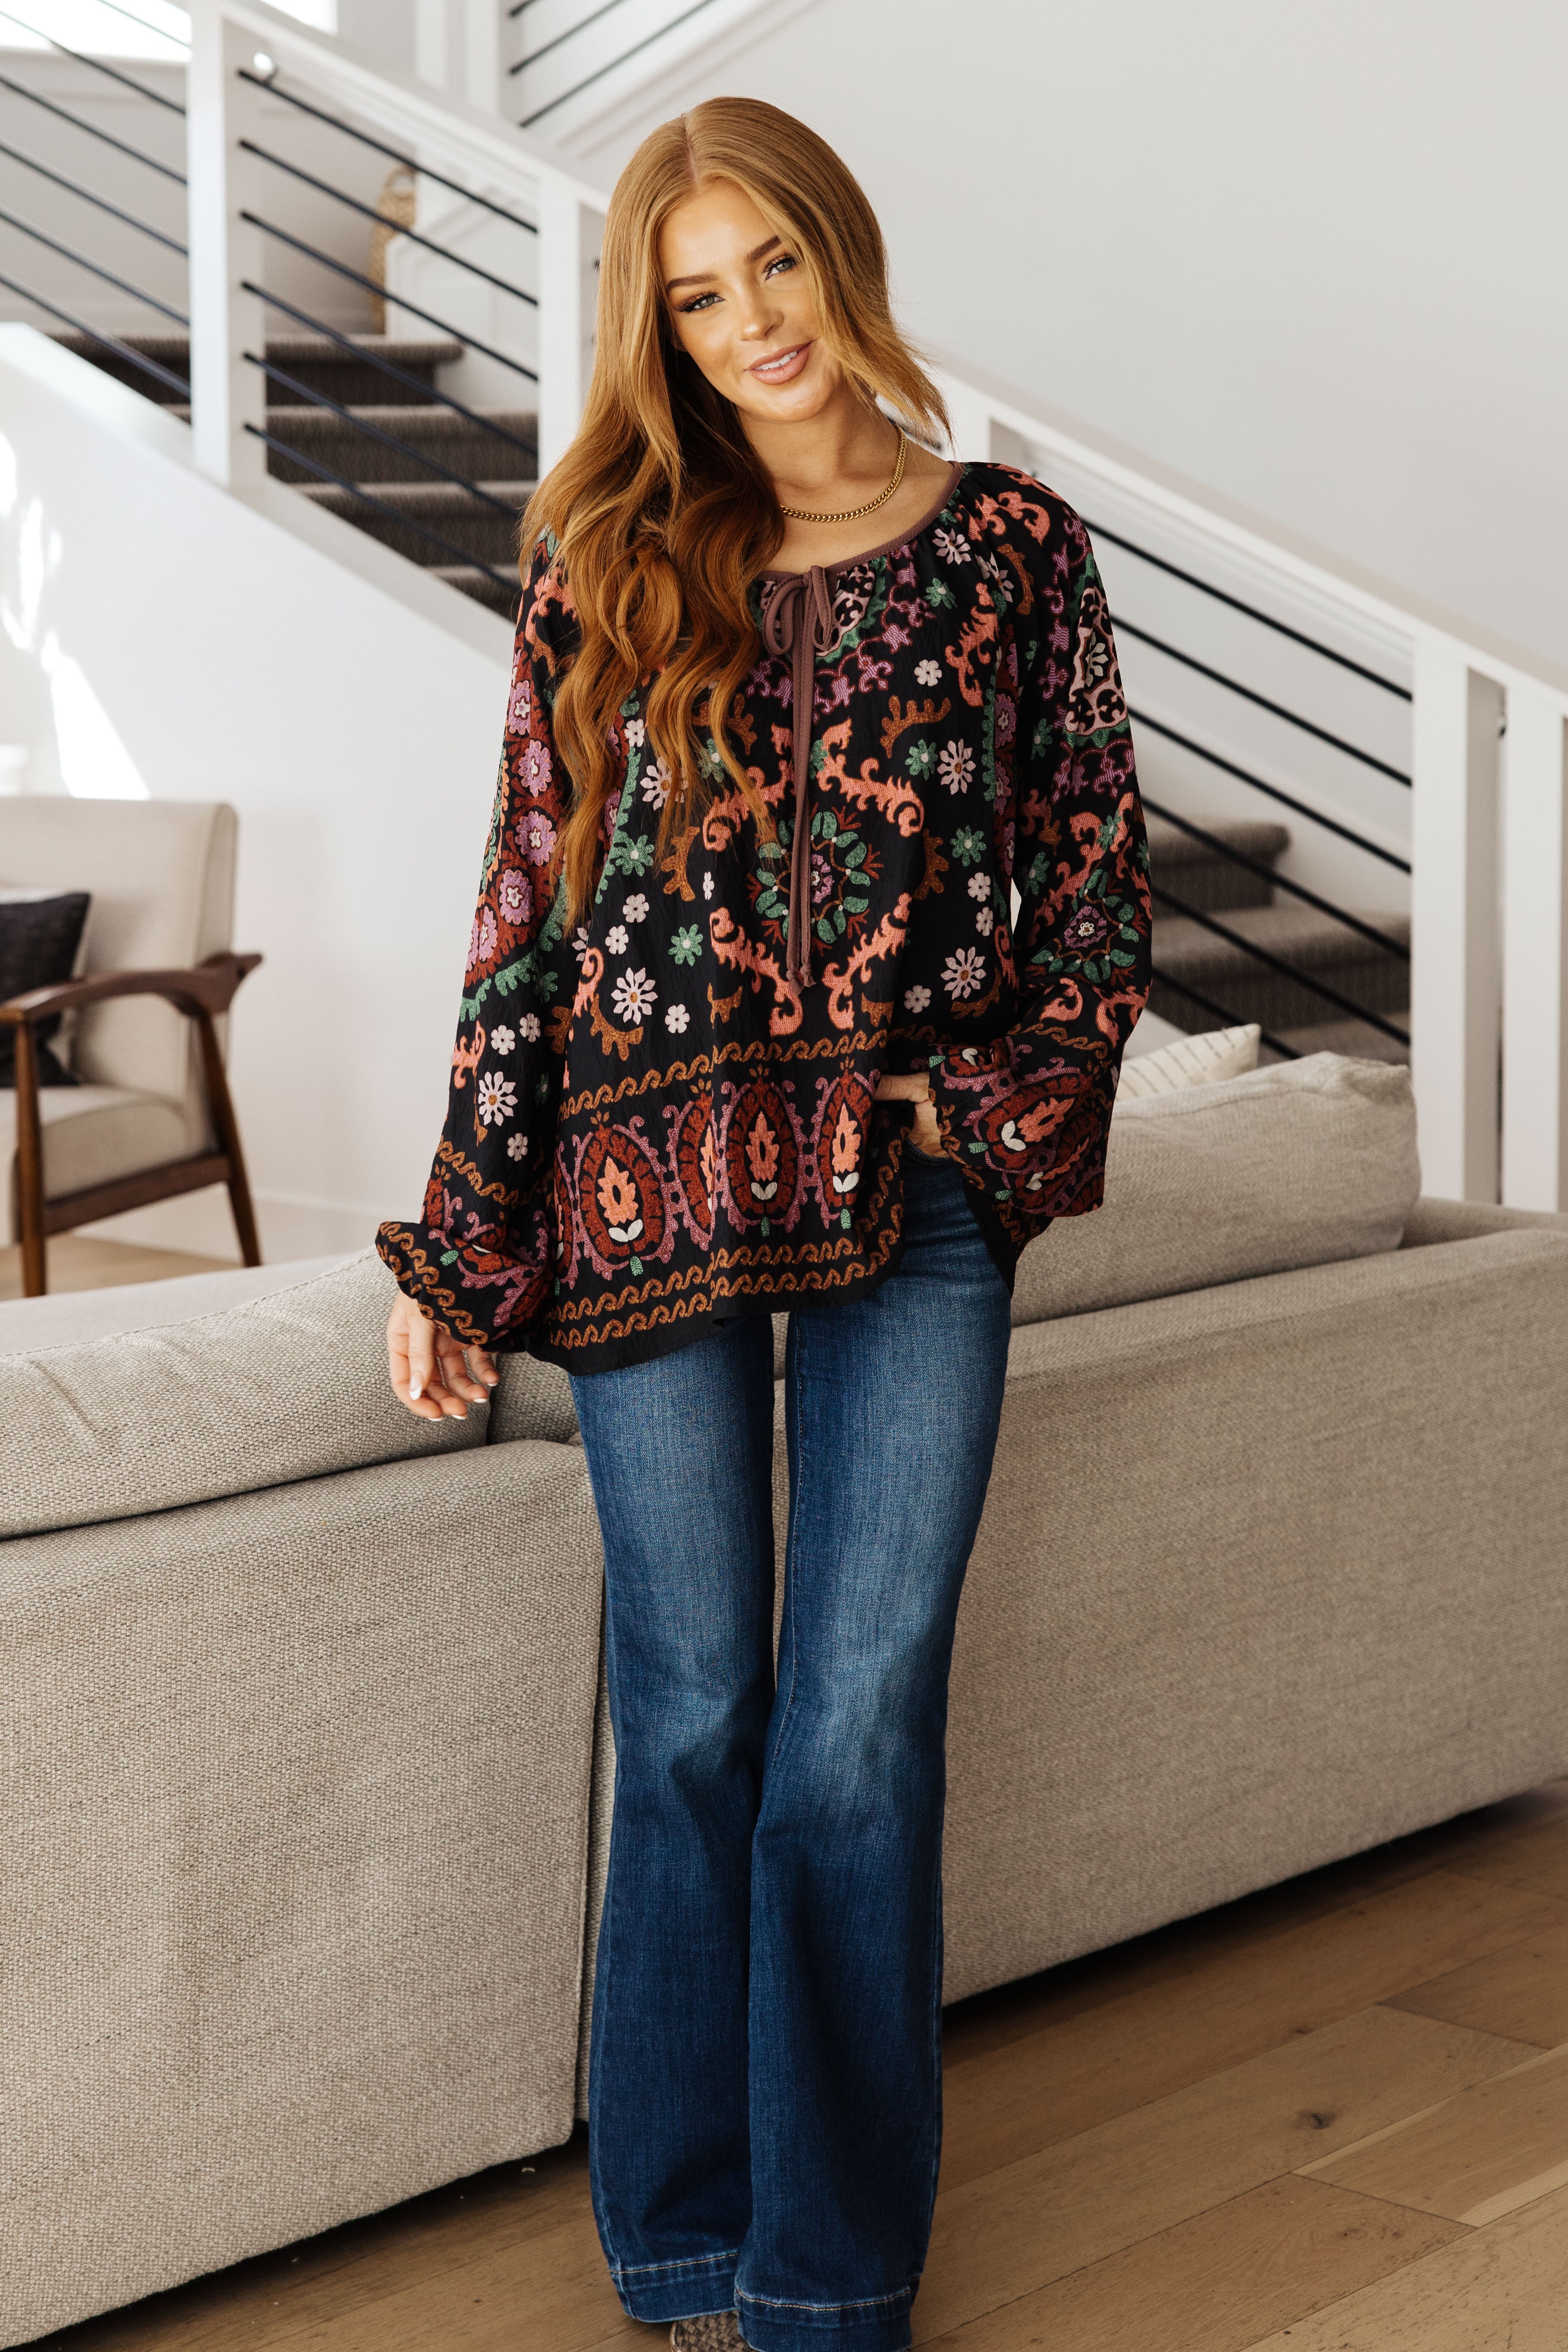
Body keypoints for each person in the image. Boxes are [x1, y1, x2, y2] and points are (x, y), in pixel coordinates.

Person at [379, 95, 1151, 2352]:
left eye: (773, 272)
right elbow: (525, 904)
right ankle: (679, 2237)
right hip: (641, 1189)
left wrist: (995, 1111)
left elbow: (1092, 875)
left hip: (914, 1197)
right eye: (696, 299)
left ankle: (827, 2280)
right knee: (695, 1708)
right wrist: (452, 1238)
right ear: (660, 324)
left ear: (840, 255)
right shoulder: (611, 553)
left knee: (855, 1729)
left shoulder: (1010, 546)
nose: (747, 331)